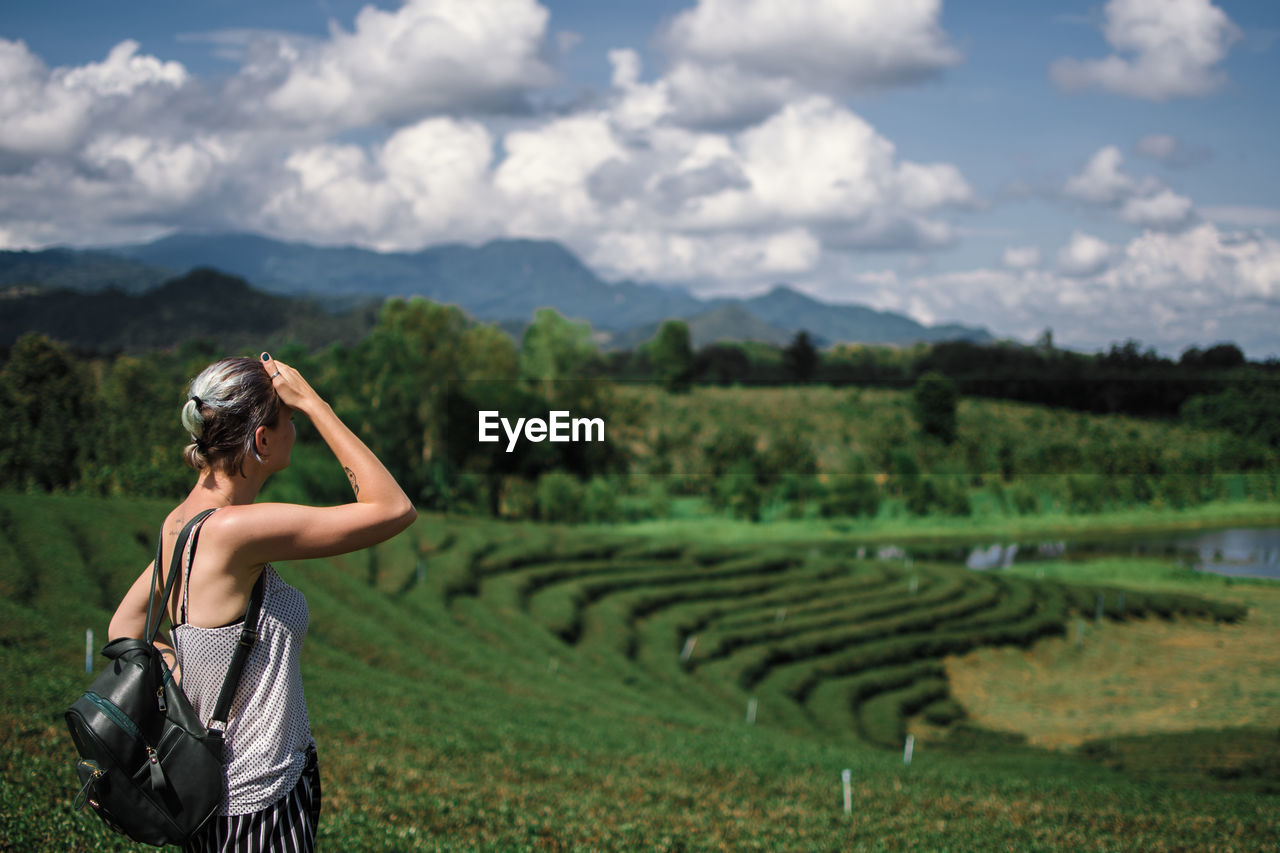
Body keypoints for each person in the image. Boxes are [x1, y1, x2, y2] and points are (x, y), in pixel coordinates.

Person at [108, 352, 416, 852]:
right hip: (258, 802)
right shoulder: (234, 530)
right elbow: (393, 508)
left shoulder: (181, 522)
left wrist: (187, 687)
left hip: (212, 795)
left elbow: (124, 625)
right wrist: (316, 404)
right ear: (262, 439)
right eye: (289, 421)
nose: (296, 430)